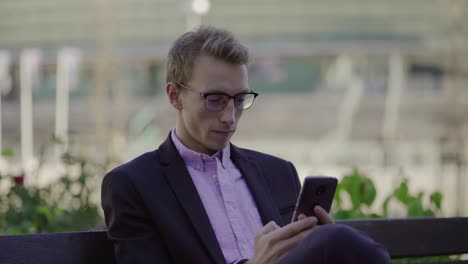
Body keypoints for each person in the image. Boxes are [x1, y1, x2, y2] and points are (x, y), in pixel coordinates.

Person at [101, 26, 390, 264]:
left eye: (239, 100)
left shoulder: (278, 172)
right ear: (175, 96)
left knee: (331, 240)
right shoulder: (133, 184)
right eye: (215, 100)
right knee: (336, 240)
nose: (230, 118)